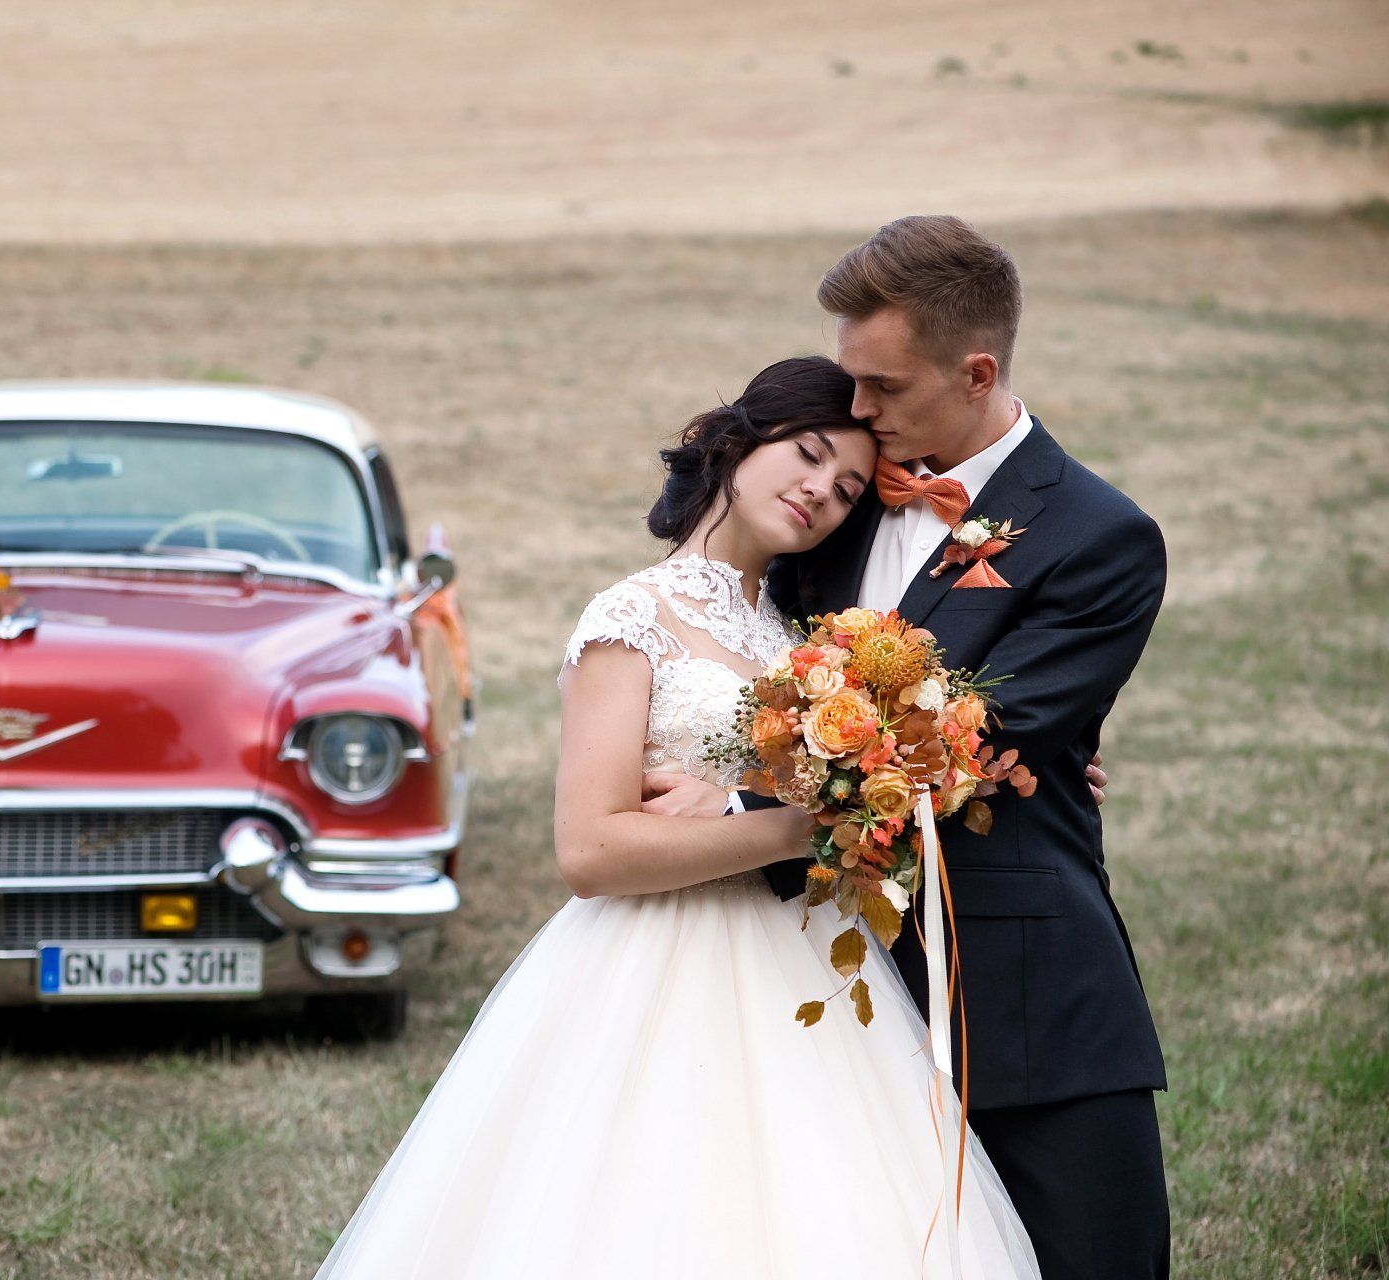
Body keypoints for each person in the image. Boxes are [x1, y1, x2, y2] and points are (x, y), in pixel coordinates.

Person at [312, 356, 1043, 1279]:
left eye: (850, 487)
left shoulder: (801, 636)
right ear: (737, 440)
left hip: (799, 959)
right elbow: (590, 848)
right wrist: (799, 824)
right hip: (652, 967)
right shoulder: (632, 617)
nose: (823, 490)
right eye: (809, 455)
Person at [672, 217, 1172, 1280]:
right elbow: (719, 644)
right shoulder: (838, 504)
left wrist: (728, 807)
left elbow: (962, 739)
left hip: (1019, 998)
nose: (856, 413)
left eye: (884, 388)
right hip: (814, 994)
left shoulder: (1100, 536)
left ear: (976, 369)